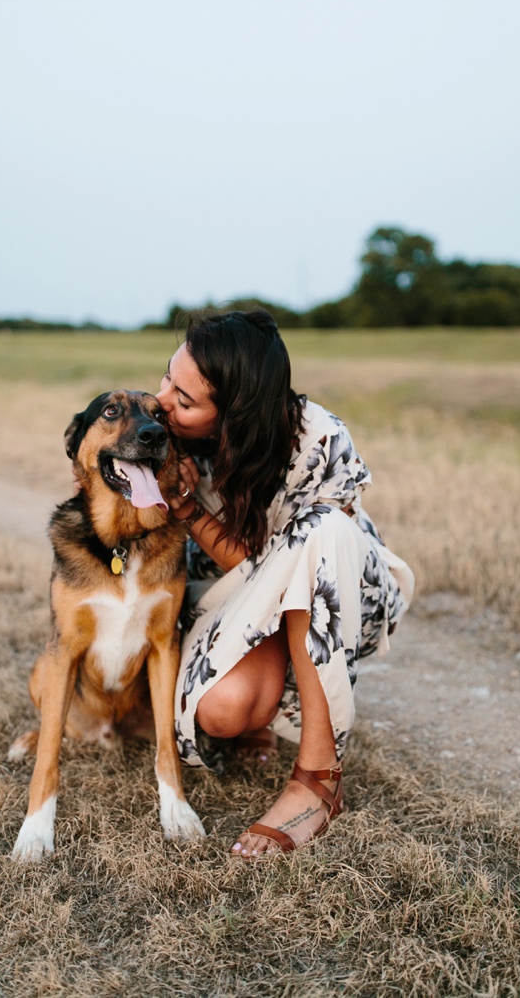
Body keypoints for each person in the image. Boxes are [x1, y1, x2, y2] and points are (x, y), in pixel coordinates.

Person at [155, 310, 414, 857]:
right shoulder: (170, 441)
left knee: (319, 529)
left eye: (184, 398)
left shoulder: (319, 439)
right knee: (222, 711)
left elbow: (317, 561)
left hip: (334, 593)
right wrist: (180, 501)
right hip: (238, 597)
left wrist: (187, 509)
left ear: (235, 415)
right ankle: (259, 717)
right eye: (167, 379)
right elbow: (246, 565)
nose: (162, 400)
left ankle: (319, 780)